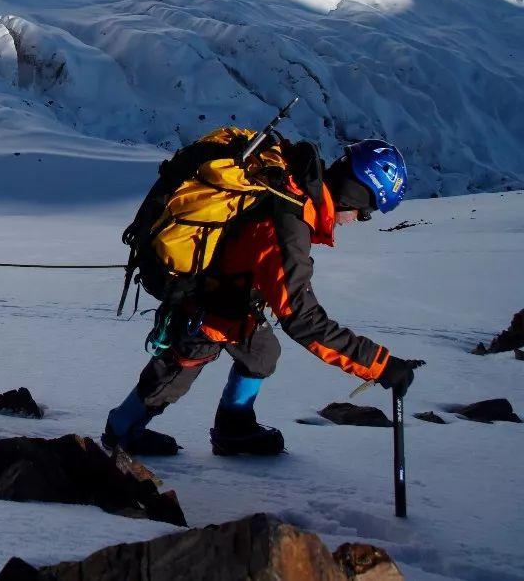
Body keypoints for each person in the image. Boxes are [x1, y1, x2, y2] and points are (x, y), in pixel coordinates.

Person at [104, 139, 424, 456]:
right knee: (177, 369)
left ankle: (234, 427)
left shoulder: (293, 183)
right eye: (365, 213)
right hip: (209, 301)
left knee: (262, 353)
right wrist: (378, 365)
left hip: (235, 299)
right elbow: (303, 320)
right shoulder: (286, 227)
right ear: (355, 195)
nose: (358, 220)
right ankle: (121, 430)